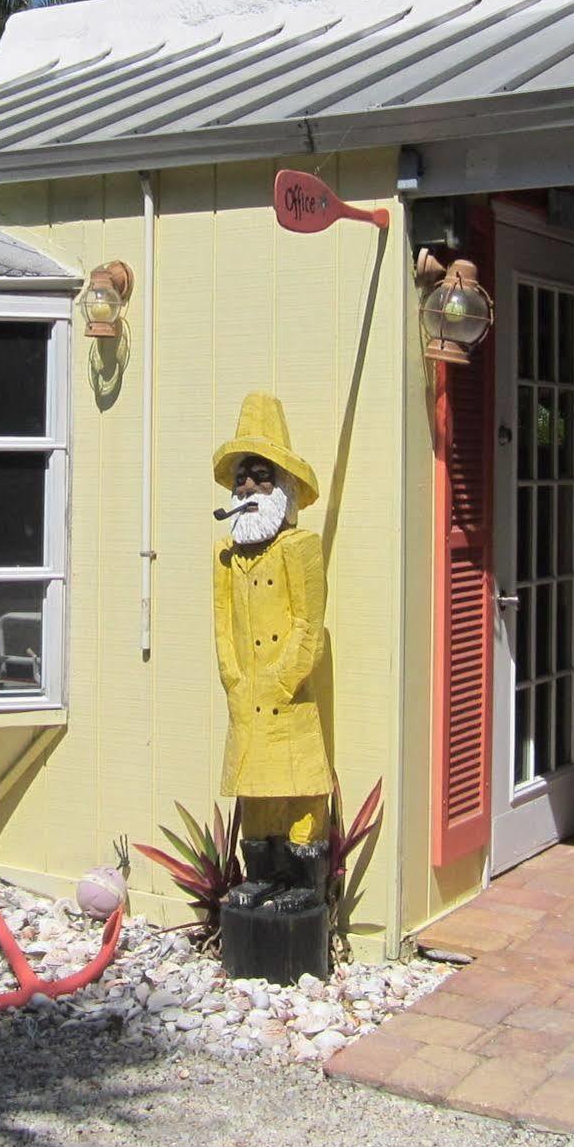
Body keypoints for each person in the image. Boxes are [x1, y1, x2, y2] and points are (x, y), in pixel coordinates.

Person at [211, 392, 333, 914]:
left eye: (261, 476)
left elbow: (310, 622)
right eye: (242, 477)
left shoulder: (299, 548)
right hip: (248, 694)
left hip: (288, 694)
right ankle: (260, 876)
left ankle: (305, 883)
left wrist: (286, 677)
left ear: (283, 487)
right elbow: (221, 627)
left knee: (302, 786)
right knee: (255, 789)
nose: (248, 487)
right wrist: (235, 680)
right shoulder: (224, 557)